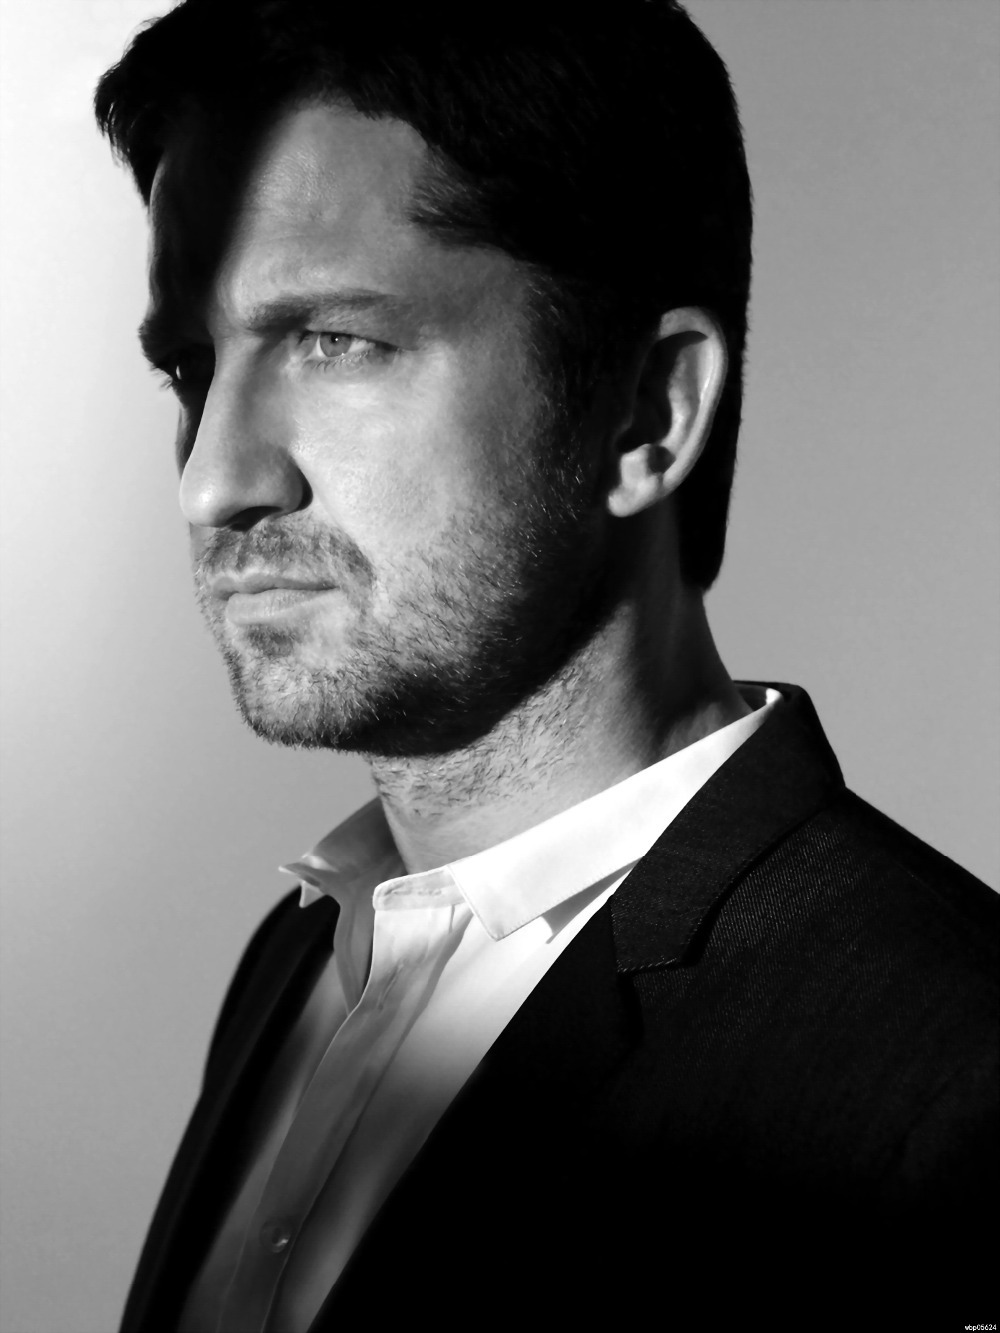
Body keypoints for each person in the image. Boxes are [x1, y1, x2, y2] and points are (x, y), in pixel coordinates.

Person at [94, 2, 997, 1329]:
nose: (212, 480)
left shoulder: (957, 1082)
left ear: (646, 412)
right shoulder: (297, 968)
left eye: (335, 341)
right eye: (190, 364)